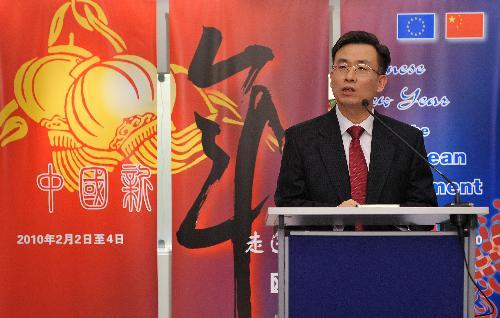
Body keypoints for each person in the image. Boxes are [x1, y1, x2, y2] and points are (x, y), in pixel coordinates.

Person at [274, 31, 437, 229]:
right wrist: (335, 216)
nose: (349, 76)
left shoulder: (407, 139)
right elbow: (287, 205)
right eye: (342, 67)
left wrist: (386, 220)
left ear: (381, 82)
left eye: (361, 68)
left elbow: (424, 207)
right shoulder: (301, 138)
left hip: (390, 254)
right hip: (323, 254)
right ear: (331, 76)